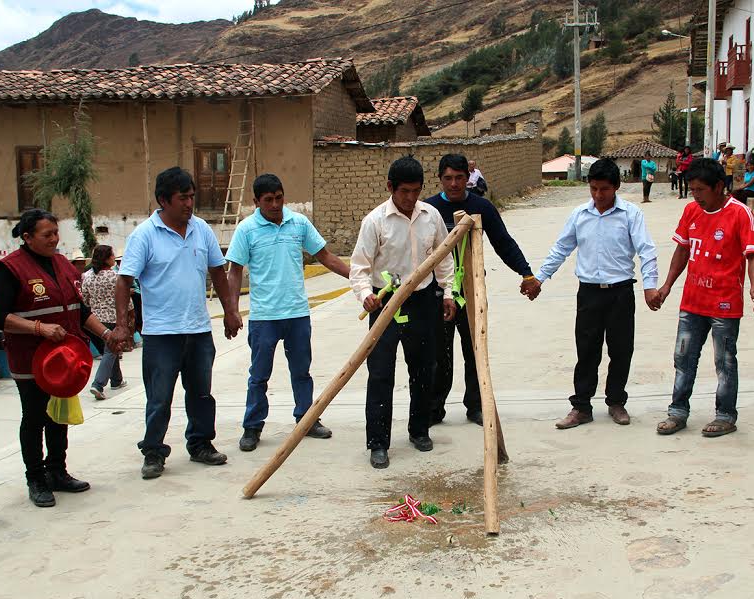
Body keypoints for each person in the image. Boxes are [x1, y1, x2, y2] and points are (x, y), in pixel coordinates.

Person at [108, 167, 243, 480]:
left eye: (192, 196)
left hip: (198, 330)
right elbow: (123, 281)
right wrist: (121, 325)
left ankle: (200, 444)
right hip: (161, 335)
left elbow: (218, 273)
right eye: (183, 198)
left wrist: (231, 312)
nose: (189, 203)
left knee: (201, 394)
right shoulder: (144, 235)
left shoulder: (202, 230)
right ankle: (153, 452)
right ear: (163, 200)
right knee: (159, 397)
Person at [0, 209, 108, 507]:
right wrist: (38, 329)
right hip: (31, 359)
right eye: (47, 235)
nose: (54, 240)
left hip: (65, 359)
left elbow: (79, 311)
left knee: (59, 415)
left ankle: (58, 470)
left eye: (56, 233)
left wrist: (106, 336)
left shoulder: (64, 265)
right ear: (27, 237)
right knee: (34, 417)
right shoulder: (10, 268)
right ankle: (36, 478)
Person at [226, 174, 349, 452]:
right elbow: (234, 272)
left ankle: (306, 420)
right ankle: (253, 426)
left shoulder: (299, 223)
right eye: (268, 200)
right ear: (255, 201)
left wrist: (356, 278)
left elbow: (325, 256)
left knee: (301, 372)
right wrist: (231, 310)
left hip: (296, 315)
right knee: (259, 375)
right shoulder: (247, 230)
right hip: (264, 317)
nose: (275, 204)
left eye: (279, 198)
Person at [534, 159, 660, 429]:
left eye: (604, 189)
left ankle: (616, 402)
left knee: (621, 349)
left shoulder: (631, 214)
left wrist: (650, 286)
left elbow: (646, 251)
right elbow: (561, 248)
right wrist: (539, 278)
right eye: (593, 189)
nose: (598, 195)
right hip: (589, 293)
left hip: (621, 293)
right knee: (587, 350)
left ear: (616, 186)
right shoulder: (580, 215)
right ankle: (581, 406)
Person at [350, 156, 456, 469]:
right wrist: (366, 296)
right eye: (404, 192)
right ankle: (378, 443)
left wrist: (448, 293)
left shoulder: (431, 216)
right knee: (381, 372)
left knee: (424, 368)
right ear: (390, 188)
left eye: (416, 191)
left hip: (422, 301)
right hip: (385, 303)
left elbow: (443, 259)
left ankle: (419, 430)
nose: (410, 198)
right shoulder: (375, 222)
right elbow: (359, 267)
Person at [424, 153, 539, 426]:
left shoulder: (482, 207)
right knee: (438, 353)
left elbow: (503, 242)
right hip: (437, 292)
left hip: (471, 288)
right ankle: (434, 407)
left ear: (468, 178)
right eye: (448, 178)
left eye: (459, 178)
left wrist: (526, 272)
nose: (453, 184)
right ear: (439, 179)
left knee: (474, 347)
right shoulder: (427, 210)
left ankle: (475, 406)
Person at [653, 158, 754, 437]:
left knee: (724, 360)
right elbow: (681, 251)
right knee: (683, 358)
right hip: (692, 301)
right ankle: (678, 412)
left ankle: (725, 415)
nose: (696, 196)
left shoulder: (739, 214)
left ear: (718, 187)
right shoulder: (691, 211)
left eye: (700, 190)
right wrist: (666, 286)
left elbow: (753, 253)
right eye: (692, 190)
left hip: (724, 304)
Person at [81, 244, 128, 400]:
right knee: (110, 352)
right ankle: (98, 384)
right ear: (107, 258)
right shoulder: (115, 276)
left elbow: (85, 300)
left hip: (93, 321)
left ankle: (117, 380)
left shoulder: (86, 276)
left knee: (109, 351)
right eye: (113, 255)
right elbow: (124, 299)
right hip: (111, 319)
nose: (114, 258)